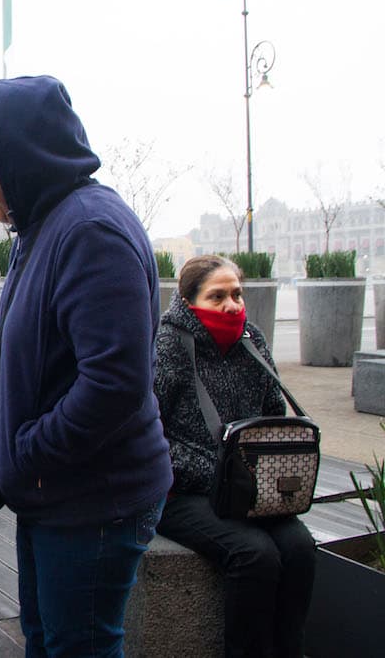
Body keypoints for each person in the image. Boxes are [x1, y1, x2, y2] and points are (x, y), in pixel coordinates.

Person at [0, 76, 173, 657]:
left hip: (93, 497)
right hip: (54, 490)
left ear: (15, 157)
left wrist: (27, 452)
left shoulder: (90, 230)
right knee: (45, 640)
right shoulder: (41, 224)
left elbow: (115, 383)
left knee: (80, 647)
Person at [154, 255, 315, 658]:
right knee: (254, 554)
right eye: (218, 296)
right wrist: (219, 473)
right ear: (190, 302)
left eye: (237, 294)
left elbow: (273, 413)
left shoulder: (251, 339)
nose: (232, 305)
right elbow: (149, 432)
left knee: (299, 548)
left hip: (249, 491)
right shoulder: (168, 343)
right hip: (182, 493)